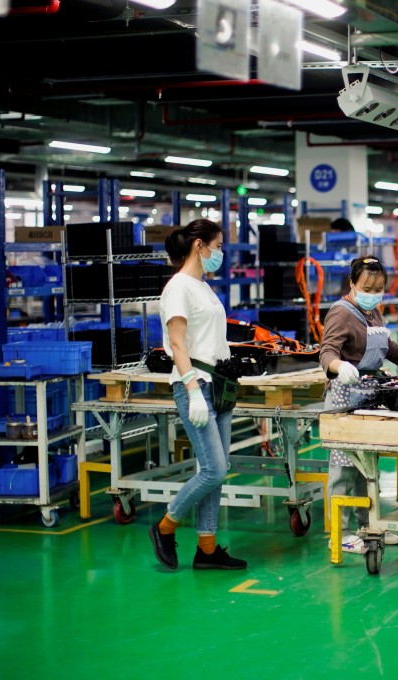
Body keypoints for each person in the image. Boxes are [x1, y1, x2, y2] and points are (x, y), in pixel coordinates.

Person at [319, 256, 398, 554]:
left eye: (379, 287)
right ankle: (340, 532)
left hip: (368, 397)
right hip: (345, 398)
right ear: (352, 283)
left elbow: (389, 348)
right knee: (344, 469)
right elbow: (327, 352)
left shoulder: (372, 313)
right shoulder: (341, 313)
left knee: (365, 467)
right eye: (367, 287)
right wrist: (338, 366)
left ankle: (367, 526)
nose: (373, 292)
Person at [148, 219, 246, 571]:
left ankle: (206, 550)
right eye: (218, 246)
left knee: (218, 469)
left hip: (217, 385)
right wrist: (192, 390)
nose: (220, 253)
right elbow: (177, 343)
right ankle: (164, 527)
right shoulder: (178, 288)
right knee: (213, 470)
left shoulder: (203, 287)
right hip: (196, 387)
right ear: (199, 246)